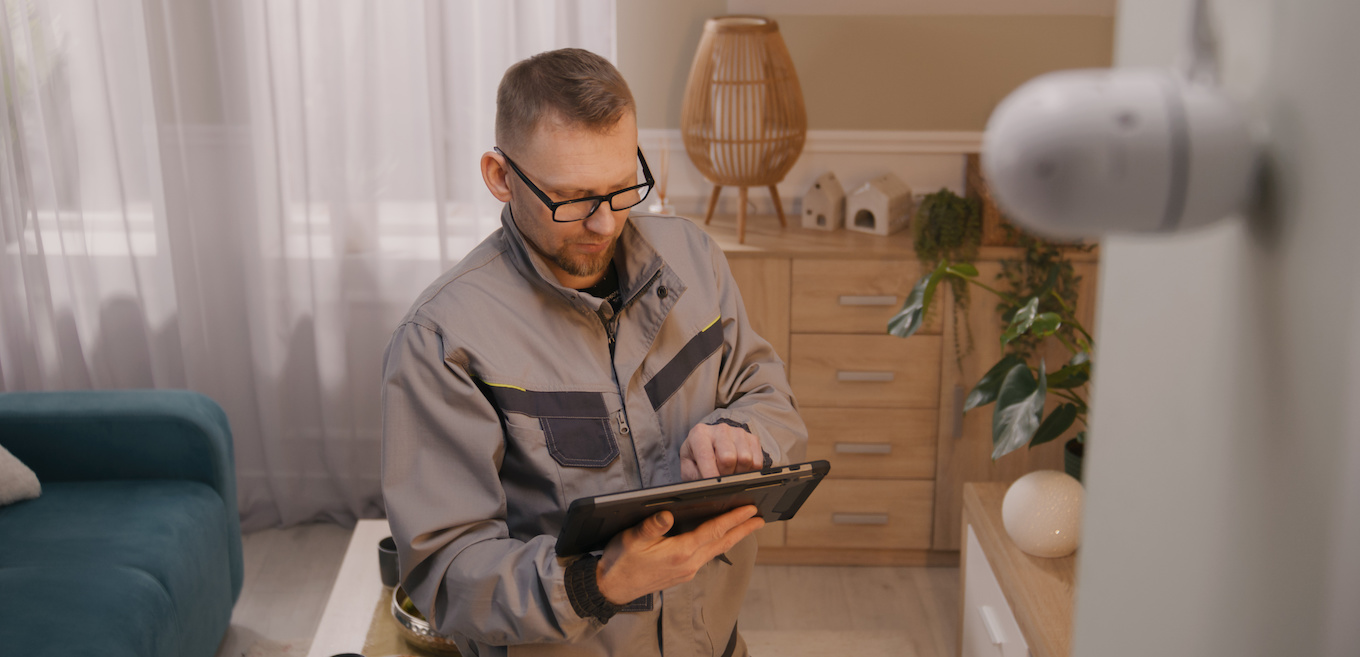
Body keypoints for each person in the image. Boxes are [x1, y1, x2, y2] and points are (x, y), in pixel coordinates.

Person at [381, 47, 807, 657]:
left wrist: (742, 430)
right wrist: (596, 583)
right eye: (574, 198)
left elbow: (766, 390)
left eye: (622, 187)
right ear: (500, 177)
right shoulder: (441, 341)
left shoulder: (694, 257)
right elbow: (447, 575)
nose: (607, 224)